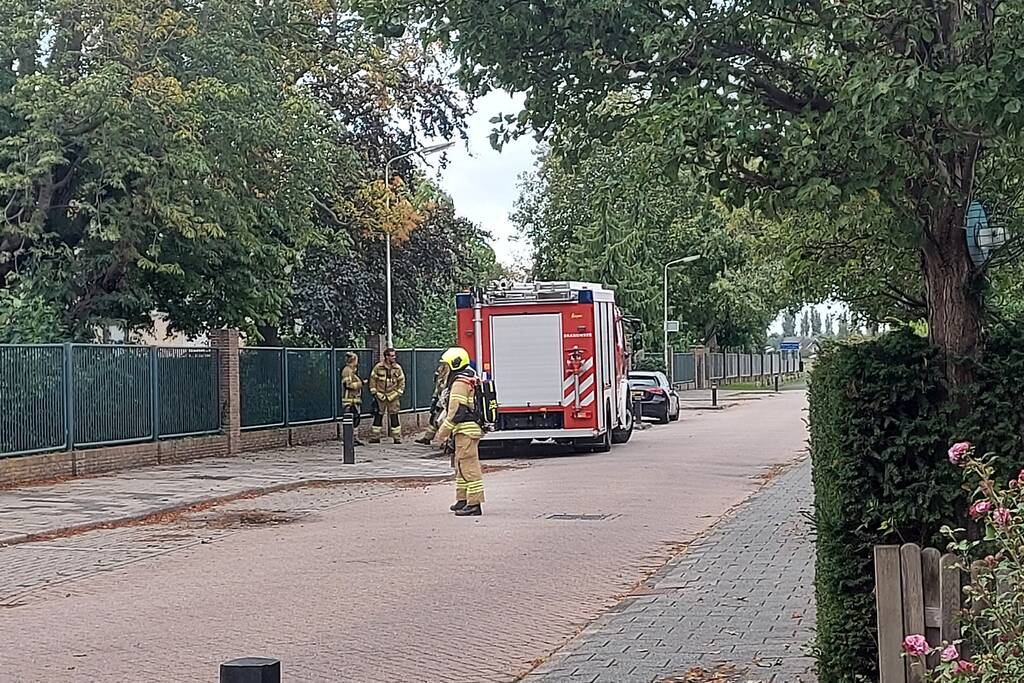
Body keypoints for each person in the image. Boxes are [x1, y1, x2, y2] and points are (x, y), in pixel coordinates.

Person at [434, 347, 485, 516]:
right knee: (460, 464)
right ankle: (463, 499)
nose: (443, 369)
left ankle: (474, 504)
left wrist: (441, 434)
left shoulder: (460, 383)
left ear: (455, 364)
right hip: (464, 430)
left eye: (446, 365)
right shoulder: (466, 379)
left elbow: (456, 412)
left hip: (466, 430)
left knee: (469, 466)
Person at [369, 347, 406, 444]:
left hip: (393, 396)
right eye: (392, 356)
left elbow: (402, 382)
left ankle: (397, 438)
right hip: (380, 396)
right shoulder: (378, 367)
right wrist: (375, 393)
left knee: (394, 416)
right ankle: (375, 437)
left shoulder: (397, 368)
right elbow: (372, 380)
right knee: (378, 416)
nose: (394, 357)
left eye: (394, 355)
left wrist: (397, 393)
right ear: (386, 356)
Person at [415, 361, 450, 445]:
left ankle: (446, 441)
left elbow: (445, 389)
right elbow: (437, 388)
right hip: (439, 398)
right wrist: (434, 398)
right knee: (434, 418)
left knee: (442, 421)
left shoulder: (449, 375)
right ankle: (427, 438)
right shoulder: (440, 372)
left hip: (445, 400)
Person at [340, 352, 364, 446]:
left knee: (356, 419)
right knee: (349, 419)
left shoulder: (352, 370)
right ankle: (348, 439)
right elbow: (348, 385)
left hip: (355, 399)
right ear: (353, 360)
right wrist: (360, 383)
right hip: (349, 400)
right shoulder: (347, 371)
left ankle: (354, 437)